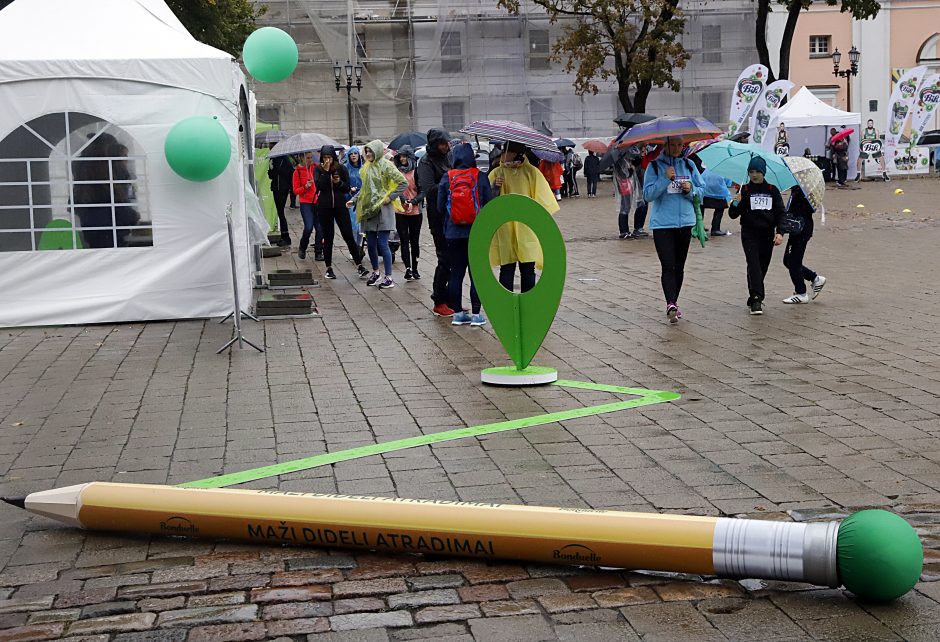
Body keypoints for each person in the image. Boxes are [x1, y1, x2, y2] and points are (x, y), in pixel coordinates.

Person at [642, 135, 704, 323]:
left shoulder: (689, 166)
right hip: (663, 225)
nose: (677, 148)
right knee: (668, 265)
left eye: (680, 144)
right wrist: (664, 179)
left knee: (679, 266)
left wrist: (690, 190)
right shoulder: (654, 167)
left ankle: (674, 302)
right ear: (665, 145)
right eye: (673, 144)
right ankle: (670, 302)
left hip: (685, 223)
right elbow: (648, 195)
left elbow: (701, 193)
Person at [489, 142, 560, 292]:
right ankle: (506, 306)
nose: (502, 154)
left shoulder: (531, 172)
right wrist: (495, 186)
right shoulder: (497, 173)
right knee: (506, 268)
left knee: (528, 268)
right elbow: (487, 200)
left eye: (505, 151)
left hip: (527, 228)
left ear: (514, 153)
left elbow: (543, 199)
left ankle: (529, 304)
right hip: (505, 229)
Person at [437, 143, 494, 326]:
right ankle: (477, 315)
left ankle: (458, 314)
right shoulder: (480, 176)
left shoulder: (448, 177)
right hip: (476, 232)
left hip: (453, 233)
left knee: (456, 274)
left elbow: (439, 207)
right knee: (476, 273)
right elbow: (489, 204)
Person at [728, 156, 785, 315]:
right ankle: (757, 299)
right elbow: (733, 214)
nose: (754, 175)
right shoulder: (744, 190)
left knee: (762, 266)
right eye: (751, 171)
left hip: (767, 234)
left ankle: (753, 293)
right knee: (753, 265)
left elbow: (781, 213)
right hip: (749, 234)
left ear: (763, 172)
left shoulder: (772, 191)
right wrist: (736, 203)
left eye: (758, 171)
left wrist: (780, 232)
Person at [349, 140, 407, 290]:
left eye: (371, 151)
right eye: (366, 151)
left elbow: (403, 183)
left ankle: (389, 277)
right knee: (371, 245)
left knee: (382, 243)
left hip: (383, 211)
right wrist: (354, 200)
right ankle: (376, 273)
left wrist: (390, 197)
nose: (368, 154)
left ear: (377, 151)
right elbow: (365, 189)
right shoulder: (366, 168)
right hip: (369, 210)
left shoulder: (386, 165)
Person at [415, 128, 453, 315]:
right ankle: (438, 299)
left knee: (454, 258)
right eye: (443, 143)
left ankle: (451, 298)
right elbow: (429, 190)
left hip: (453, 214)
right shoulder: (425, 162)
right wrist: (451, 181)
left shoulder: (448, 157)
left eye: (448, 143)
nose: (447, 146)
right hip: (437, 215)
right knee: (444, 257)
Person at [314, 145, 367, 280]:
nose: (328, 160)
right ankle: (328, 267)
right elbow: (319, 185)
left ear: (334, 157)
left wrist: (338, 183)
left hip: (339, 205)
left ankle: (359, 265)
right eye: (325, 158)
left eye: (330, 157)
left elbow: (347, 188)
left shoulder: (341, 169)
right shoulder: (318, 169)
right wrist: (326, 172)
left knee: (348, 234)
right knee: (328, 237)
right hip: (324, 206)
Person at [781, 186, 827, 304]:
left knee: (793, 261)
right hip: (797, 229)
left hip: (801, 229)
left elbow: (807, 209)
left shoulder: (803, 190)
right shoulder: (797, 190)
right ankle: (815, 278)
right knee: (788, 260)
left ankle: (801, 292)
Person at [394, 145, 422, 282]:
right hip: (400, 210)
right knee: (404, 240)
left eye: (405, 156)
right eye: (400, 157)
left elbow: (423, 191)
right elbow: (394, 189)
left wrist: (414, 201)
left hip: (415, 211)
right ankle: (408, 269)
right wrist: (403, 200)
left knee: (414, 241)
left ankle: (415, 267)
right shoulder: (397, 172)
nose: (402, 159)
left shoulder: (416, 172)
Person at [291, 151, 321, 260]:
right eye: (307, 158)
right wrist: (305, 186)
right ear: (301, 159)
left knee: (320, 228)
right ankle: (302, 247)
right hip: (306, 203)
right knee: (308, 227)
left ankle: (318, 252)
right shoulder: (297, 172)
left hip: (317, 201)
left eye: (311, 158)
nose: (310, 160)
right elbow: (295, 190)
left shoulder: (316, 168)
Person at [268, 146, 294, 247]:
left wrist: (277, 170)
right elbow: (271, 175)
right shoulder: (273, 159)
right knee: (280, 212)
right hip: (276, 187)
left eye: (271, 145)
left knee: (281, 213)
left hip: (282, 188)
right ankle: (284, 236)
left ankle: (286, 237)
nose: (269, 147)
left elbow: (290, 172)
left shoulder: (284, 158)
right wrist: (271, 170)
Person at [698, 161, 733, 237]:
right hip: (719, 195)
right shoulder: (725, 171)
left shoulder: (706, 169)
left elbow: (700, 181)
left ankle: (699, 227)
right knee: (719, 210)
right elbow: (728, 184)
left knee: (701, 208)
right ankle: (715, 229)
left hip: (705, 195)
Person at [614, 156, 639, 239]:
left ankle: (625, 230)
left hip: (625, 187)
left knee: (626, 208)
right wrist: (631, 169)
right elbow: (624, 175)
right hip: (624, 187)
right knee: (624, 208)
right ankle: (623, 231)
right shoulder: (620, 162)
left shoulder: (622, 160)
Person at [344, 146, 363, 239]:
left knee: (361, 226)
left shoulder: (363, 168)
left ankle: (359, 247)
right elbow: (342, 183)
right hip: (350, 199)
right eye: (351, 154)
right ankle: (354, 248)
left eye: (355, 153)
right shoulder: (345, 168)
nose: (353, 155)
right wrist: (349, 188)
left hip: (362, 198)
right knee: (353, 224)